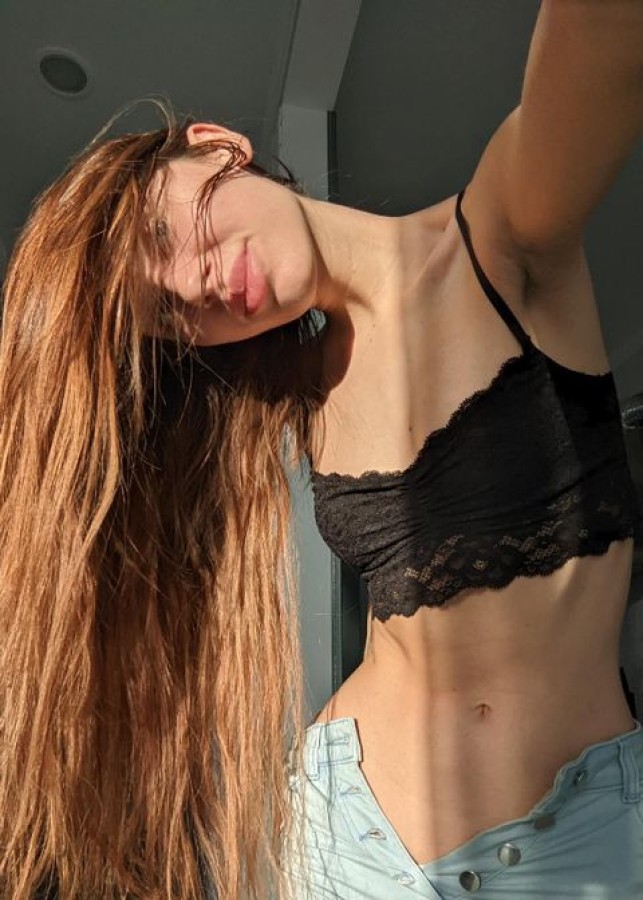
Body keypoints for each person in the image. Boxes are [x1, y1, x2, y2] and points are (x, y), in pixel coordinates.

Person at [1, 4, 643, 900]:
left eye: (160, 237)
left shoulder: (496, 244)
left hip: (582, 842)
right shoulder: (294, 394)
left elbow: (601, 34)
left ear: (217, 147)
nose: (194, 285)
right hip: (347, 840)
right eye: (167, 315)